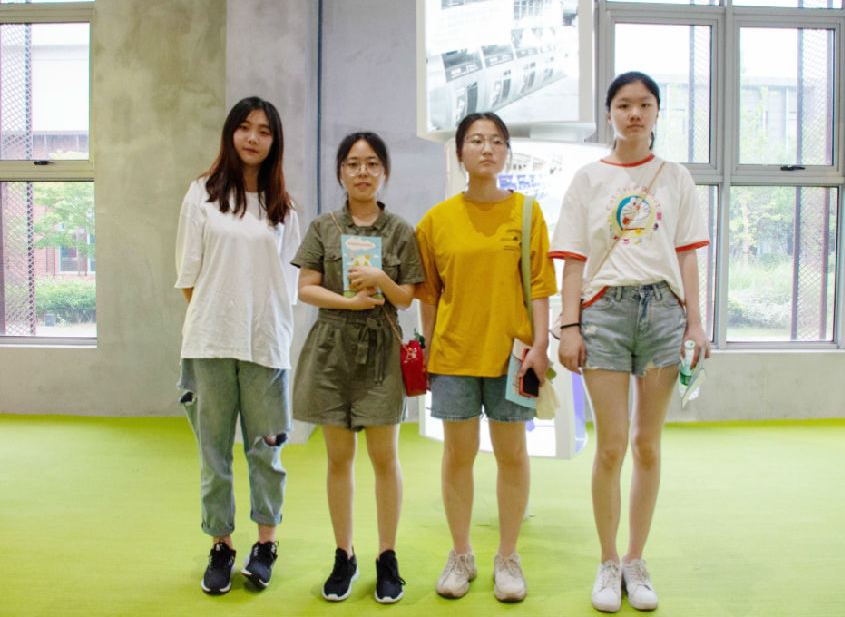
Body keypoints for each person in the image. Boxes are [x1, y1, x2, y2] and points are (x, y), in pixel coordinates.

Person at [550, 71, 710, 613]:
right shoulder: (588, 179)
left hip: (664, 312)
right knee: (612, 445)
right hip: (604, 314)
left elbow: (687, 255)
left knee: (647, 444)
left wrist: (695, 323)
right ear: (609, 114)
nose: (634, 113)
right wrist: (569, 327)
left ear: (658, 112)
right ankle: (607, 560)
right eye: (623, 104)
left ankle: (636, 559)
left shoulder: (676, 177)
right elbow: (573, 262)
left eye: (644, 104)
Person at [415, 112, 557, 603]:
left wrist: (541, 347)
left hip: (512, 357)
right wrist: (429, 348)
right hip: (453, 356)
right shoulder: (436, 221)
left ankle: (508, 556)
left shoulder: (526, 213)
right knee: (458, 456)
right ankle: (461, 554)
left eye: (497, 141)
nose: (487, 148)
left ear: (506, 152)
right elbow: (428, 294)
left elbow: (540, 287)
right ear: (459, 153)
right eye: (476, 140)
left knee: (512, 455)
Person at [292, 132, 424, 604]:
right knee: (338, 458)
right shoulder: (323, 227)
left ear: (384, 171)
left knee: (385, 458)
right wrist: (348, 302)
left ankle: (387, 557)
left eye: (371, 163)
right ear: (340, 173)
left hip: (381, 349)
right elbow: (306, 288)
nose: (362, 172)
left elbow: (407, 297)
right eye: (352, 163)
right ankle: (344, 554)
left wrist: (381, 278)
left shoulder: (400, 230)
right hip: (331, 348)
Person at [174, 96, 300, 595]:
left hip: (266, 345)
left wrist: (257, 324)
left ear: (274, 142)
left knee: (267, 452)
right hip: (209, 344)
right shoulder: (201, 195)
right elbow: (188, 275)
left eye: (264, 131)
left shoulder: (283, 207)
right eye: (245, 127)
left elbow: (287, 285)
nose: (253, 138)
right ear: (231, 134)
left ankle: (265, 545)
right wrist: (220, 319)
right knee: (214, 454)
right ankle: (221, 546)